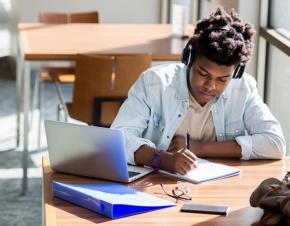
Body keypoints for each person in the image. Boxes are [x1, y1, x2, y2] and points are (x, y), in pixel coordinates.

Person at [111, 7, 286, 175]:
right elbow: (118, 140)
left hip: (218, 187)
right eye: (203, 73)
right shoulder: (154, 84)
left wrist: (196, 147)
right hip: (157, 185)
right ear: (189, 59)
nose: (210, 86)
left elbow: (275, 143)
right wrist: (164, 160)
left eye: (222, 79)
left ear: (236, 73)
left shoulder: (243, 88)